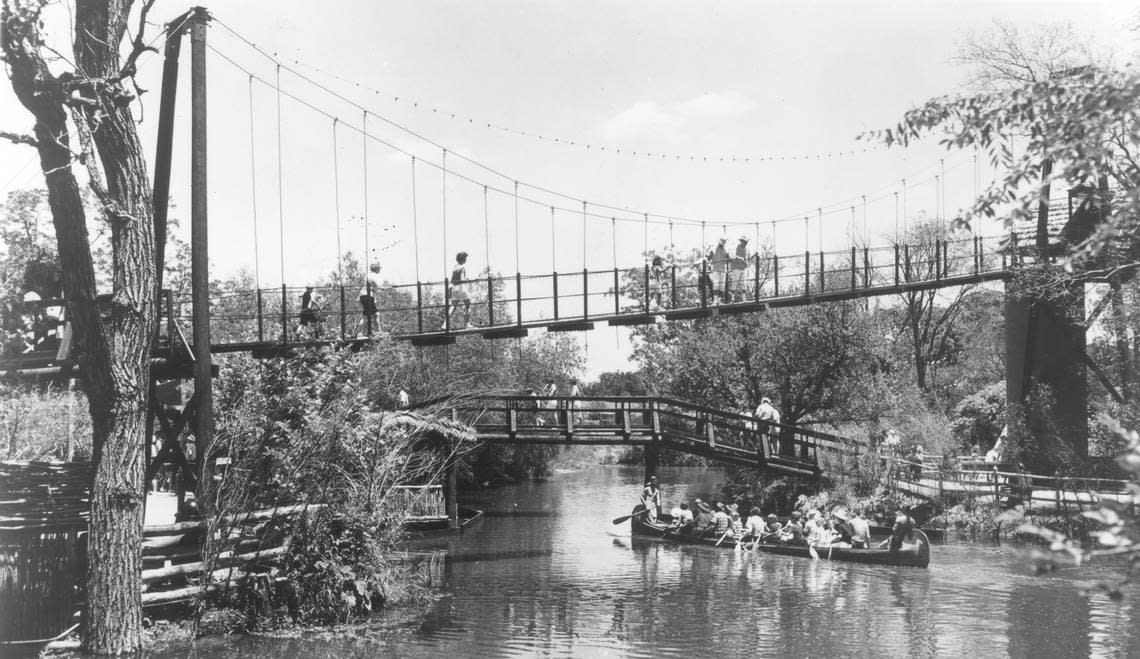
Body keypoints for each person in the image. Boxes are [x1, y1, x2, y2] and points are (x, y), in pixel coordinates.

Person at [443, 252, 473, 330]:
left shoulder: (454, 268)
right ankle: (467, 324)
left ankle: (445, 324)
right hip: (461, 288)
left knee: (453, 306)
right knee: (468, 305)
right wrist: (470, 280)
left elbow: (453, 280)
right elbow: (462, 280)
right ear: (463, 259)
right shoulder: (462, 268)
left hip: (454, 288)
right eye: (465, 258)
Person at [355, 263, 383, 337]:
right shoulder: (373, 276)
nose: (380, 270)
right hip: (368, 297)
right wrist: (389, 287)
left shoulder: (368, 275)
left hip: (364, 296)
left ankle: (360, 333)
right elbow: (379, 287)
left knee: (365, 316)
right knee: (376, 314)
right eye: (379, 268)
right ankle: (378, 332)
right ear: (376, 269)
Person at [710, 238, 730, 303]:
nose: (722, 245)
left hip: (723, 270)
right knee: (716, 284)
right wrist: (706, 265)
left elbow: (729, 258)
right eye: (721, 243)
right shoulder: (713, 249)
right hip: (715, 269)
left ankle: (719, 300)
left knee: (722, 286)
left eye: (724, 243)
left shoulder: (726, 250)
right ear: (719, 242)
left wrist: (731, 259)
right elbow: (708, 257)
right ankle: (715, 300)